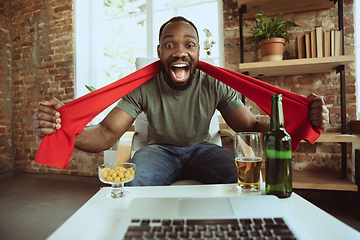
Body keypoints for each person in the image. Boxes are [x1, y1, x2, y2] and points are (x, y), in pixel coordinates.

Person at [33, 16, 329, 186]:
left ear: (198, 51)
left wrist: (295, 124)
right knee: (133, 183)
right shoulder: (144, 85)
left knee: (240, 180)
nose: (180, 52)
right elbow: (107, 133)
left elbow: (248, 126)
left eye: (189, 44)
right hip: (159, 152)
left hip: (205, 150)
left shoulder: (214, 82)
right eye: (170, 45)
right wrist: (63, 126)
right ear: (160, 51)